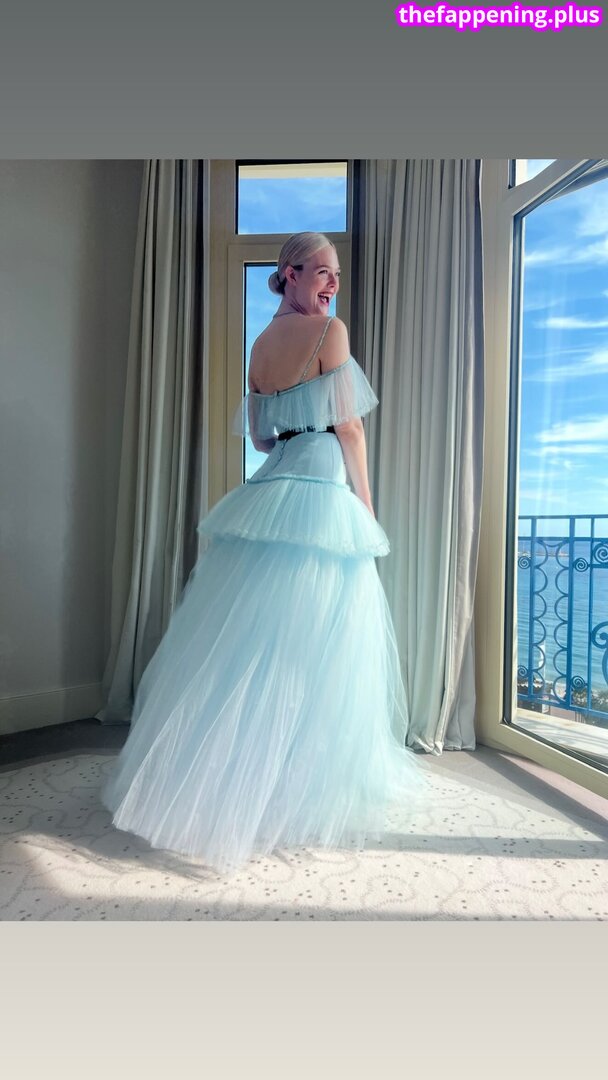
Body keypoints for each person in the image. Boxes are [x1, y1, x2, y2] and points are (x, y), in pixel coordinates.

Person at [101, 231, 428, 876]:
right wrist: (366, 506)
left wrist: (294, 425)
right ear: (291, 272)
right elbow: (350, 427)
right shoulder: (329, 332)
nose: (333, 284)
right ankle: (298, 785)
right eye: (323, 271)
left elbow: (257, 437)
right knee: (320, 640)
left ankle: (227, 775)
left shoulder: (259, 344)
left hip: (273, 481)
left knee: (246, 638)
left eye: (337, 274)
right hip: (321, 481)